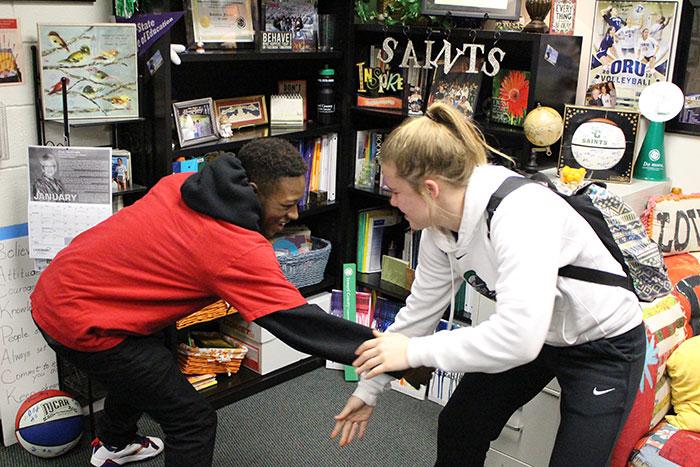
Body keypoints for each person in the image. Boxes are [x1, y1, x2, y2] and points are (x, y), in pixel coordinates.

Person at [31, 138, 422, 467]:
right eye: (285, 205)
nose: (294, 214)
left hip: (60, 292)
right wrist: (388, 353)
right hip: (81, 322)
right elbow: (299, 322)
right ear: (252, 191)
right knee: (192, 420)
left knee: (149, 361)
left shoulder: (184, 182)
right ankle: (116, 442)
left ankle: (113, 443)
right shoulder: (234, 248)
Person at [331, 103, 646, 467]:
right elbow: (419, 314)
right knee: (461, 425)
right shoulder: (439, 230)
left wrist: (414, 353)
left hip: (604, 344)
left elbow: (517, 339)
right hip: (538, 335)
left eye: (396, 191)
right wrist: (370, 389)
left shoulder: (521, 213)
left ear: (430, 189)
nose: (392, 201)